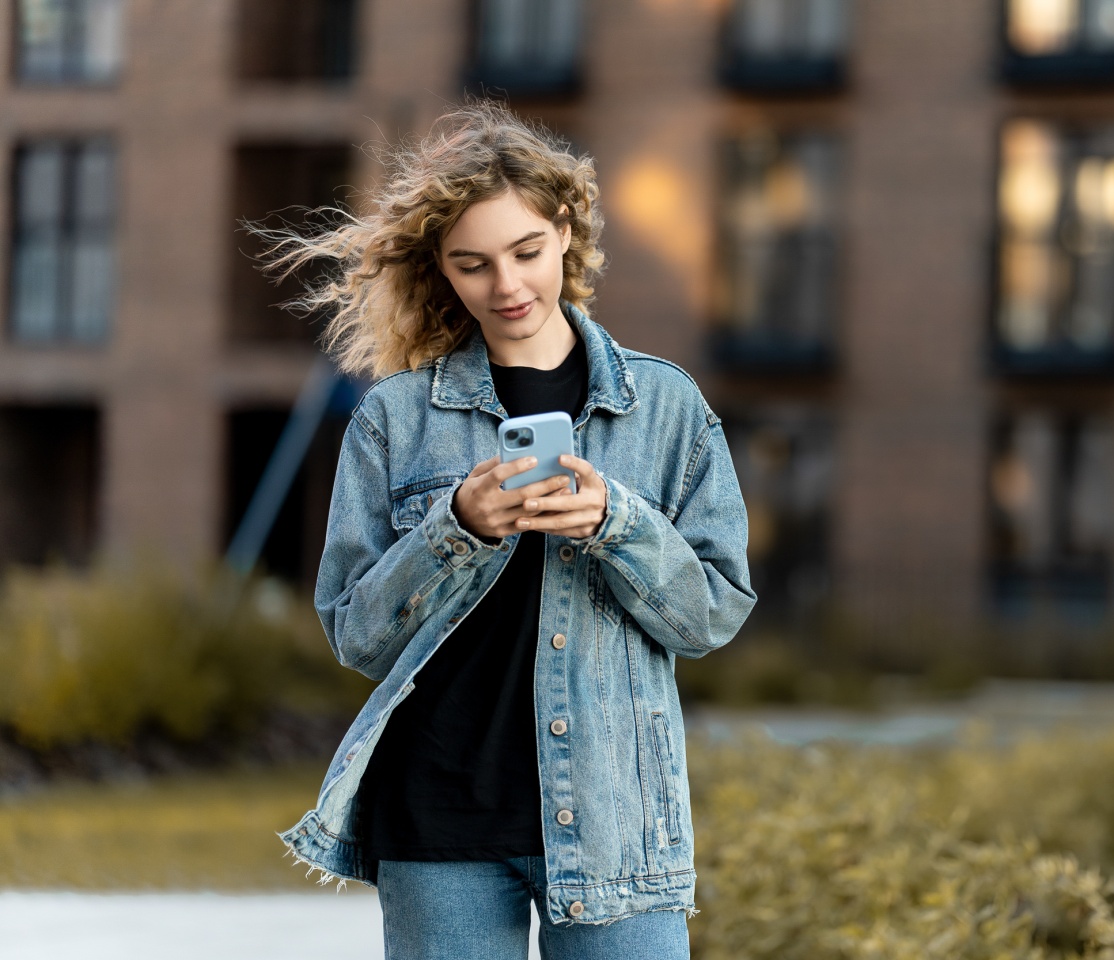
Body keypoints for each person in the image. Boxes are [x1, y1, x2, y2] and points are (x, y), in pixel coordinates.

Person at [261, 99, 756, 960]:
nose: (509, 286)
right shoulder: (394, 421)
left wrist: (616, 519)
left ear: (565, 230)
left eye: (526, 252)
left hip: (615, 822)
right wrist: (455, 528)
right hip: (437, 823)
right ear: (443, 273)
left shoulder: (666, 408)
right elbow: (354, 631)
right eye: (474, 264)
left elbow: (710, 616)